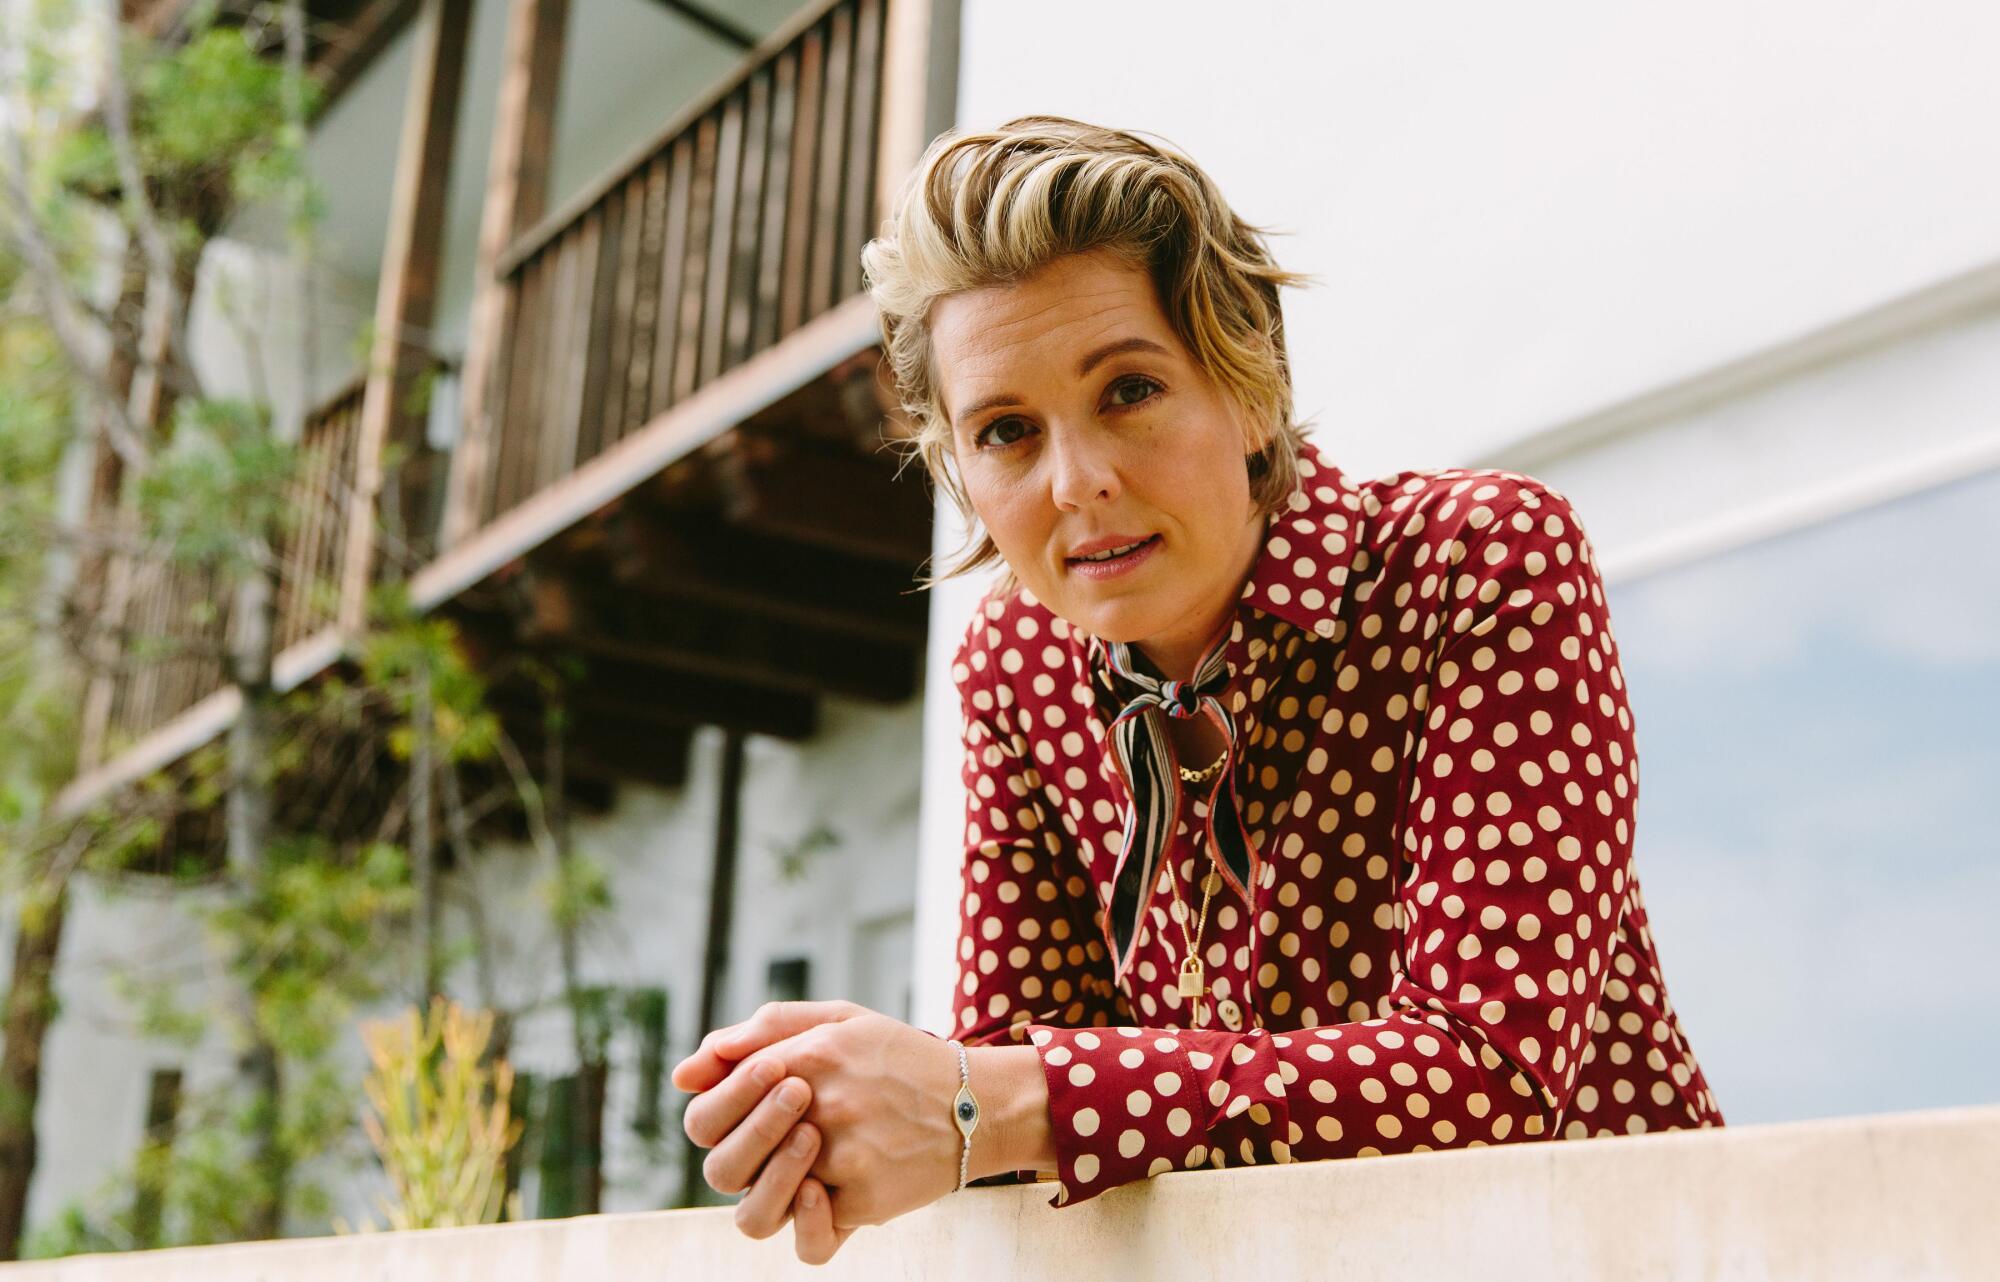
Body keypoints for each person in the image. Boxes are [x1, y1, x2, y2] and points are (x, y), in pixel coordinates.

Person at [670, 115, 1723, 1265]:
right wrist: (839, 1116)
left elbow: (1490, 1072)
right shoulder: (1015, 667)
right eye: (1007, 431)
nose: (1078, 483)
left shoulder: (1476, 562)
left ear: (1250, 387)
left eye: (1127, 389)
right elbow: (1015, 1089)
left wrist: (978, 1103)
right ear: (959, 472)